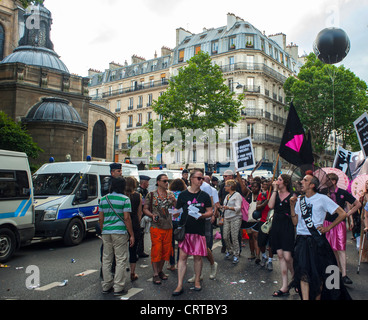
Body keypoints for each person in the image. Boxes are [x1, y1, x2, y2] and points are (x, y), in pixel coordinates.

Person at [290, 173, 351, 300]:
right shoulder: (299, 200)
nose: (301, 182)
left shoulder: (322, 199)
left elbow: (342, 214)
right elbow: (295, 222)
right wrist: (291, 206)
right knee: (303, 273)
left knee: (318, 274)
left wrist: (328, 228)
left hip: (316, 240)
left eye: (305, 180)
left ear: (312, 185)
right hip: (301, 240)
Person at [172, 169, 213, 296]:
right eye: (199, 178)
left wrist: (201, 215)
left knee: (197, 257)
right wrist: (172, 212)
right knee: (182, 257)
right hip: (185, 229)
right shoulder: (183, 195)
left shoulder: (205, 196)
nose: (201, 181)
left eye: (202, 178)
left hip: (198, 230)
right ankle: (179, 285)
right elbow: (177, 210)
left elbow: (210, 211)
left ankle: (197, 281)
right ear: (191, 179)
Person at [99, 177, 135, 296]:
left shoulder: (103, 199)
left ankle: (106, 284)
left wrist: (103, 229)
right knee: (120, 259)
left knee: (107, 259)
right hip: (119, 232)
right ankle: (118, 287)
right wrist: (131, 234)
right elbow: (126, 218)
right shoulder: (125, 199)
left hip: (106, 232)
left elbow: (101, 218)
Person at [324, 173, 361, 285]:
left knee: (341, 248)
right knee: (331, 249)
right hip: (327, 223)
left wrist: (348, 214)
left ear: (334, 181)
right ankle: (337, 272)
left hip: (339, 224)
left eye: (328, 180)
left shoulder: (343, 193)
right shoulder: (324, 193)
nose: (326, 182)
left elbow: (358, 204)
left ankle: (344, 275)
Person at [143, 174, 176, 285]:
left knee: (165, 251)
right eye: (165, 181)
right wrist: (152, 215)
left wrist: (174, 200)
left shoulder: (170, 194)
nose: (167, 183)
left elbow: (177, 207)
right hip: (156, 226)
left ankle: (160, 270)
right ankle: (155, 273)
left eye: (168, 181)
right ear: (158, 182)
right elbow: (145, 209)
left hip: (168, 226)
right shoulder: (151, 195)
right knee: (156, 249)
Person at [268, 174, 295, 297]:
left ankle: (295, 278)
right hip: (276, 225)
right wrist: (274, 189)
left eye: (279, 180)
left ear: (285, 182)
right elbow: (270, 206)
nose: (277, 181)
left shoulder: (292, 195)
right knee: (280, 255)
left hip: (287, 225)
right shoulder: (275, 193)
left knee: (288, 256)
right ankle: (284, 286)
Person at [125, 176, 143, 282]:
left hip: (123, 224)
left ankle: (119, 273)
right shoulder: (137, 196)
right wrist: (137, 221)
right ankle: (132, 272)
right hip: (135, 223)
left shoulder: (122, 196)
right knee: (133, 250)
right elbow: (139, 212)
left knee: (121, 252)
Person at [221, 179, 243, 264]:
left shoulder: (237, 195)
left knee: (234, 237)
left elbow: (238, 208)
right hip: (227, 217)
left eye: (226, 185)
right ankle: (230, 250)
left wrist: (229, 208)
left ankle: (236, 255)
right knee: (225, 236)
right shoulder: (227, 196)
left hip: (235, 217)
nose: (224, 187)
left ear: (230, 187)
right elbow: (225, 207)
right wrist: (221, 207)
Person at [168, 178, 187, 271]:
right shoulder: (184, 195)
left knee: (171, 243)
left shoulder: (170, 194)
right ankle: (180, 261)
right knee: (181, 242)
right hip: (180, 220)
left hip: (171, 219)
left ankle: (172, 264)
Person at [242, 181, 262, 261]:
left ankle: (257, 256)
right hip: (248, 220)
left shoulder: (262, 195)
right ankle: (252, 253)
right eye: (252, 187)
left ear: (259, 188)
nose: (254, 188)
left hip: (257, 221)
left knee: (256, 237)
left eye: (256, 187)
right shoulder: (249, 194)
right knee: (250, 237)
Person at [137, 175, 151, 258]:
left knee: (141, 234)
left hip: (143, 214)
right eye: (147, 182)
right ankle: (138, 251)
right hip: (140, 214)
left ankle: (140, 250)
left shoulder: (145, 190)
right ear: (144, 182)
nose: (148, 184)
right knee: (139, 234)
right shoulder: (140, 191)